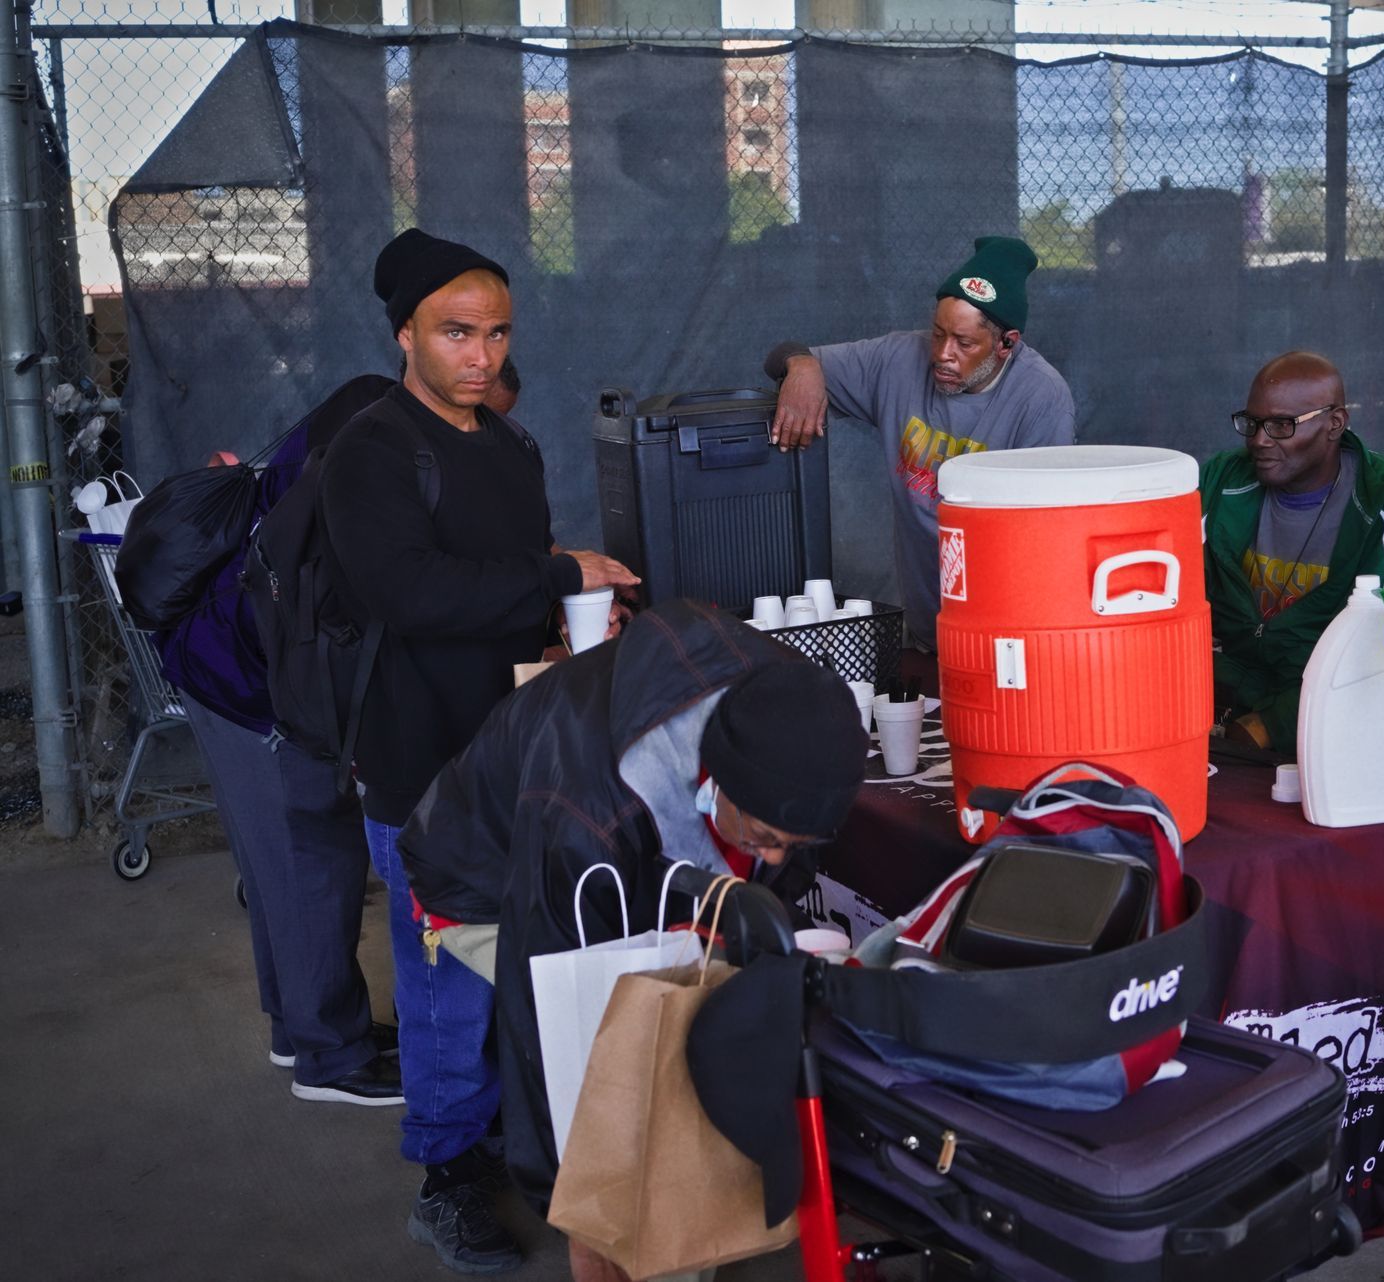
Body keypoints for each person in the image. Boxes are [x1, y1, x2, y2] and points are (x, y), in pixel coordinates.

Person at [323, 228, 641, 1274]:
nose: (482, 356)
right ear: (404, 331)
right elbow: (406, 594)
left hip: (514, 758)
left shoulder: (507, 448)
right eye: (457, 332)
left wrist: (561, 635)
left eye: (497, 332)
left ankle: (517, 1141)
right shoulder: (372, 450)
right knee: (446, 982)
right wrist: (556, 573)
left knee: (519, 962)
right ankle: (446, 1176)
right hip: (421, 772)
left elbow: (505, 595)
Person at [399, 599, 869, 1282]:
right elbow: (552, 1030)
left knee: (691, 1039)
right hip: (488, 879)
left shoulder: (790, 710)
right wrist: (583, 1201)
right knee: (632, 1090)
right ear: (718, 782)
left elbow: (770, 860)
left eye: (794, 845)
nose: (773, 860)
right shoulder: (585, 818)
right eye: (764, 838)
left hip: (635, 857)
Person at [162, 375, 403, 1105]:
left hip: (207, 666)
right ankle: (332, 1059)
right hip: (250, 686)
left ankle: (296, 1027)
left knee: (276, 866)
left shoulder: (354, 417)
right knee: (313, 856)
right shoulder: (373, 466)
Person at [763, 235, 1076, 647]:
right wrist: (800, 366)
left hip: (1007, 635)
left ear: (1006, 344)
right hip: (928, 630)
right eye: (937, 334)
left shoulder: (1041, 398)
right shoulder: (897, 360)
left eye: (964, 343)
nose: (943, 354)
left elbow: (1045, 540)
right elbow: (784, 355)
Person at [1202, 351, 1384, 751]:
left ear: (1334, 423)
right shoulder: (1221, 480)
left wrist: (1283, 722)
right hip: (1222, 692)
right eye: (1252, 423)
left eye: (1281, 425)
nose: (1258, 440)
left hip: (1330, 714)